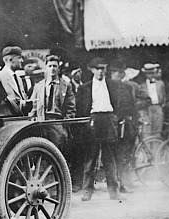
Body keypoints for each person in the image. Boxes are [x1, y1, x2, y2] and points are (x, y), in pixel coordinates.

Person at [76, 57, 125, 201]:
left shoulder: (113, 85)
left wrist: (115, 117)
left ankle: (114, 192)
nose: (100, 71)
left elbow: (119, 104)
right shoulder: (84, 88)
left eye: (103, 68)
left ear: (106, 69)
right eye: (97, 68)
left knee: (109, 157)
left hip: (108, 120)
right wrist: (86, 124)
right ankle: (87, 191)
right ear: (91, 69)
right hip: (93, 121)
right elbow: (80, 109)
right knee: (91, 158)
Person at [28, 55, 76, 150]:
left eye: (55, 66)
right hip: (42, 123)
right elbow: (33, 107)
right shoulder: (38, 86)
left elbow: (71, 108)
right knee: (43, 153)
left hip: (58, 124)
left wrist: (64, 127)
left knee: (58, 153)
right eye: (50, 66)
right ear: (46, 67)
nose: (52, 69)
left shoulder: (66, 86)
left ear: (58, 68)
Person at [108, 59, 138, 193]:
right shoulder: (108, 87)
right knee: (116, 155)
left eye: (120, 73)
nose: (118, 75)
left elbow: (132, 106)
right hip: (114, 125)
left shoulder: (127, 87)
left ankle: (126, 182)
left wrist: (133, 121)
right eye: (115, 72)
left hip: (127, 125)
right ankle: (118, 183)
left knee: (127, 154)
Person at [0, 46, 29, 116]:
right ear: (10, 60)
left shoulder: (18, 79)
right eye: (19, 58)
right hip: (8, 121)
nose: (22, 61)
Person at [136, 63, 165, 138]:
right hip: (147, 109)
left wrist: (160, 107)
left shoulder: (160, 84)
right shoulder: (142, 86)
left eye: (153, 73)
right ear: (145, 75)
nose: (151, 75)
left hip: (158, 108)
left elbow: (163, 97)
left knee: (157, 130)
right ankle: (148, 149)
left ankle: (156, 149)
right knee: (147, 131)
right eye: (149, 74)